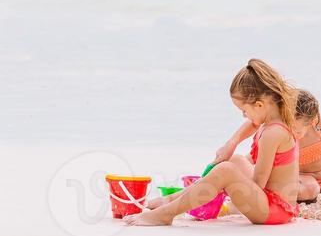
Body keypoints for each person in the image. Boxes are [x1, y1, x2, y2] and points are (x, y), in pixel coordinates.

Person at [125, 59, 300, 226]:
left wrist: (223, 184)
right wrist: (230, 144)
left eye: (244, 110)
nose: (244, 116)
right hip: (269, 202)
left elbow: (258, 184)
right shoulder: (270, 120)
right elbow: (252, 124)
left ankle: (165, 214)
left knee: (226, 170)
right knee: (235, 160)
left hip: (274, 210)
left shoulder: (273, 133)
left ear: (260, 105)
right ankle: (171, 200)